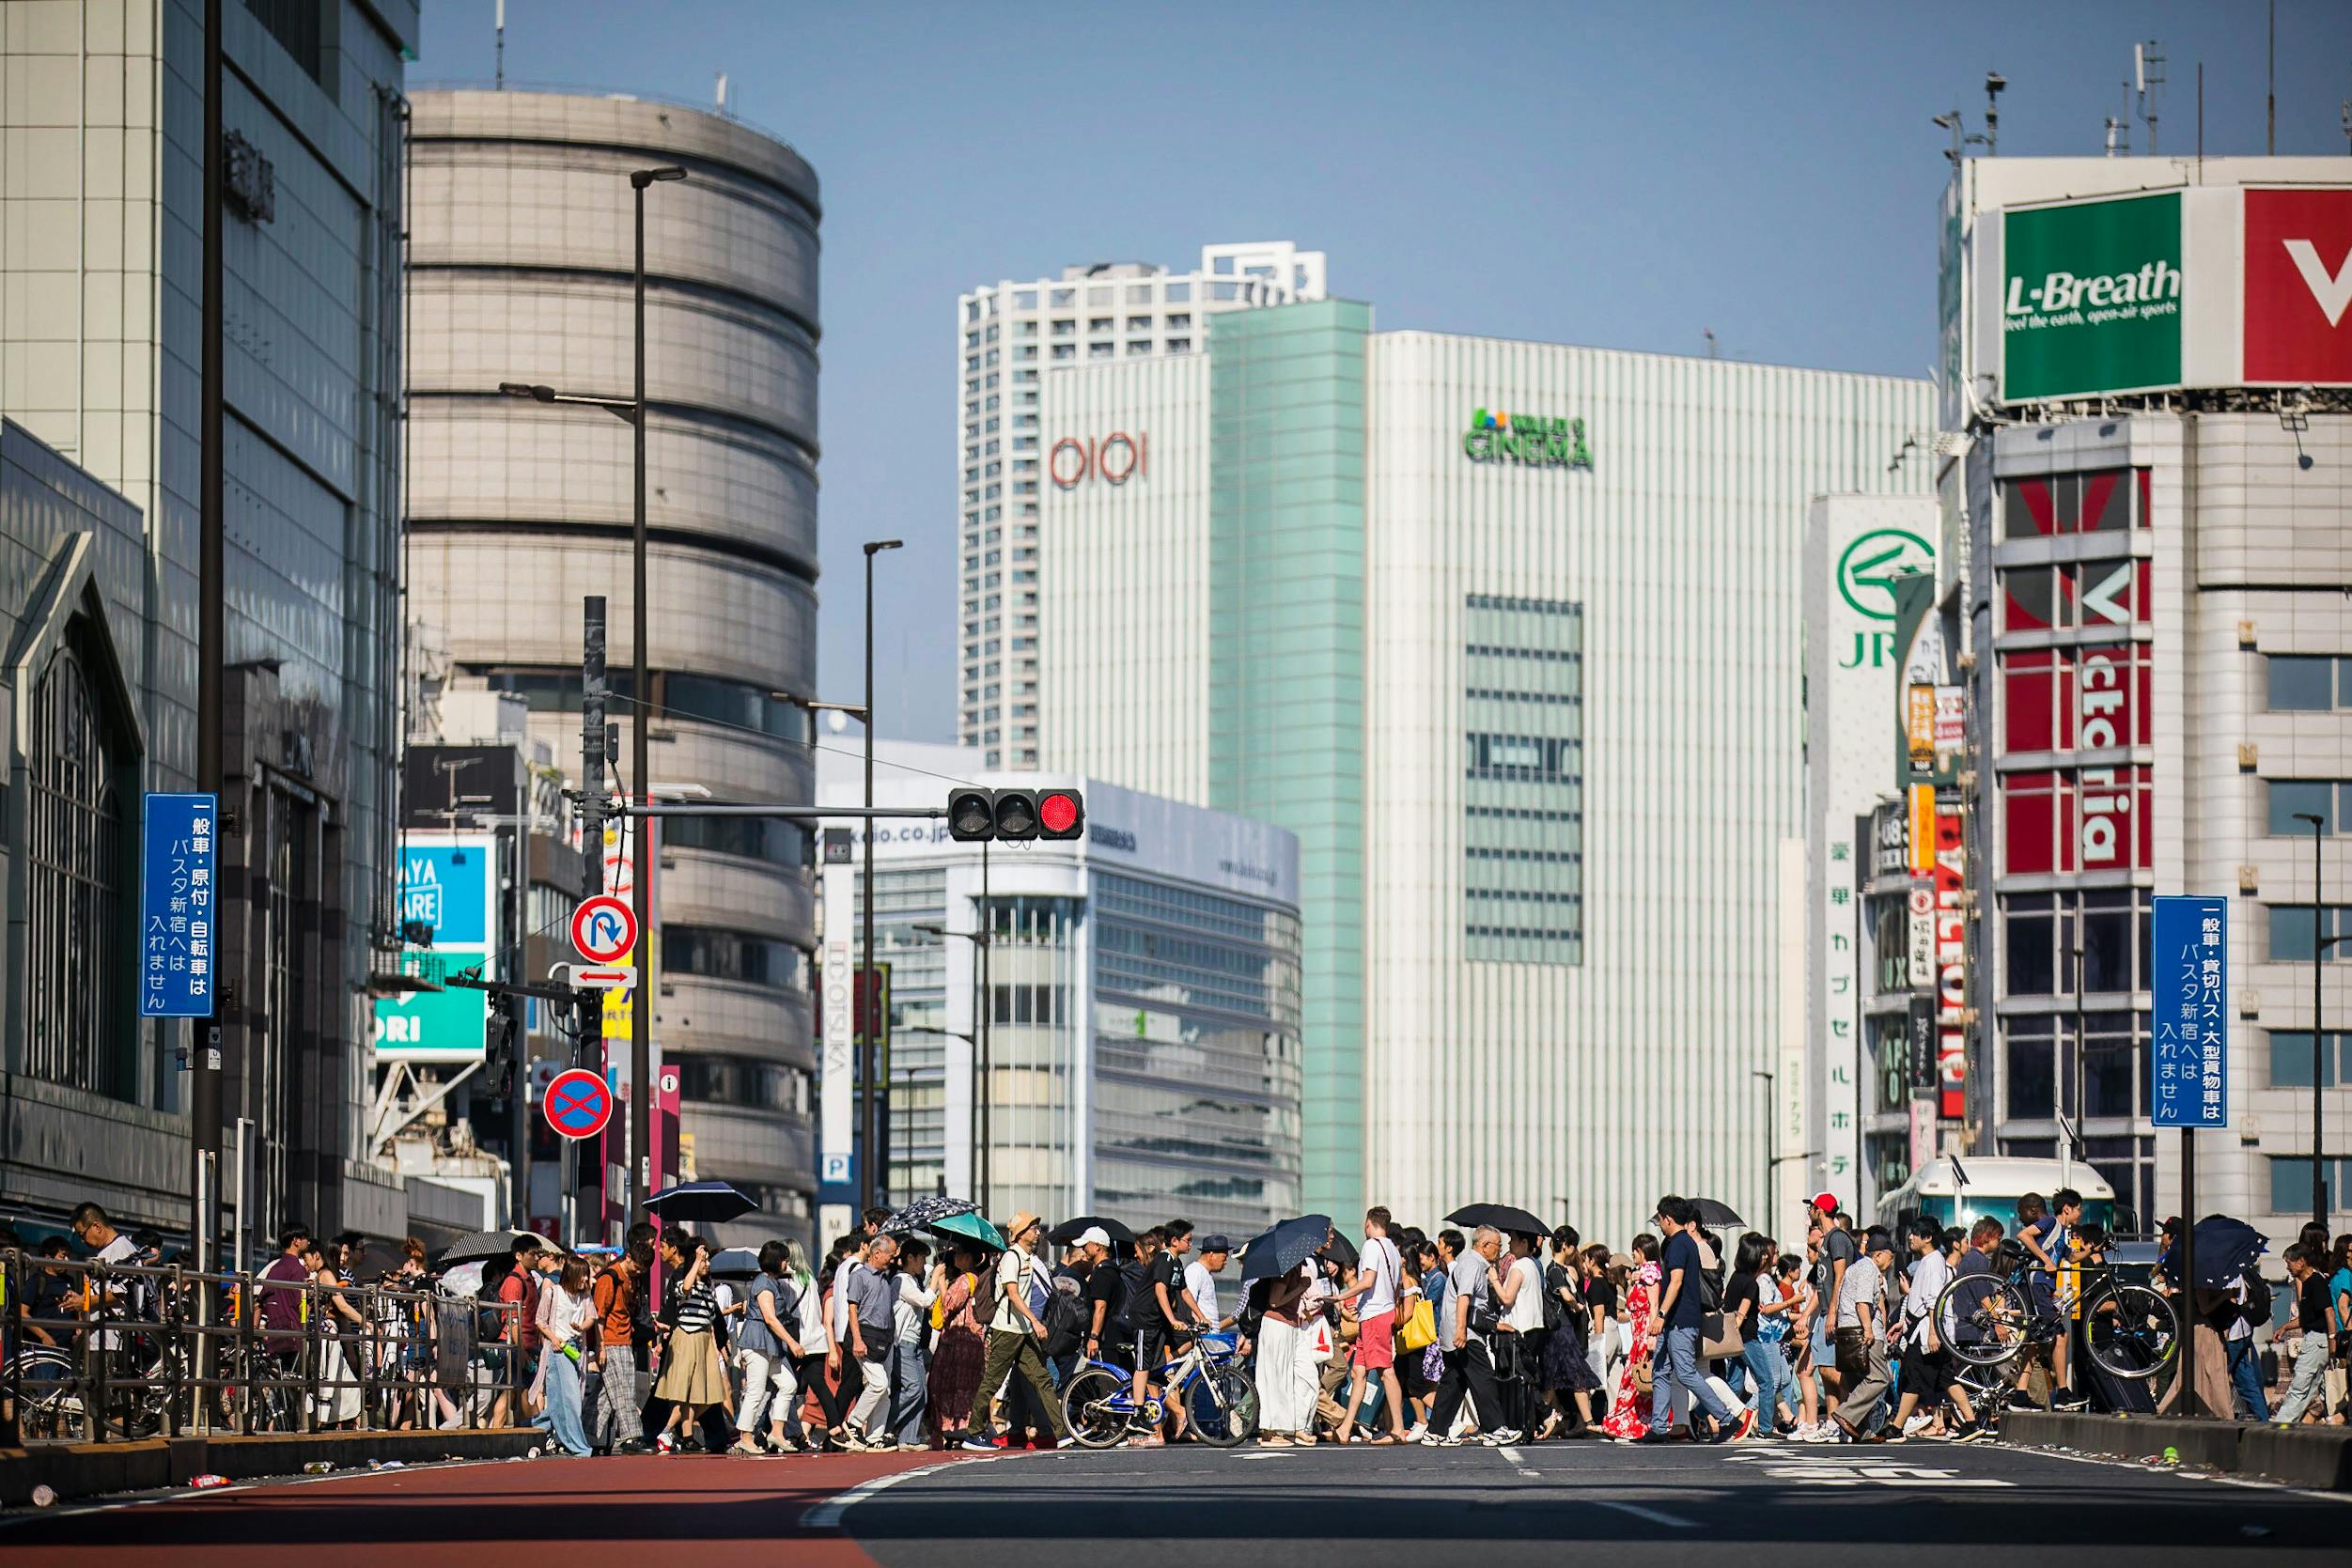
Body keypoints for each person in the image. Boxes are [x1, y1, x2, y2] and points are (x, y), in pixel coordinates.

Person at [959, 1214, 1071, 1450]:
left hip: (1023, 1330)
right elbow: (1013, 1294)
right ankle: (974, 1433)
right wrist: (1035, 1321)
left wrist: (1031, 1323)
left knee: (1042, 1378)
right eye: (1033, 1229)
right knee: (992, 1381)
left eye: (1037, 1228)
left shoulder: (1027, 1257)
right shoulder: (1011, 1258)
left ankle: (1060, 1432)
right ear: (1020, 1234)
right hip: (1007, 1330)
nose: (1037, 1232)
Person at [1645, 1197, 1751, 1444]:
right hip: (1675, 1320)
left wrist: (1660, 1314)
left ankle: (1727, 1418)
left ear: (1668, 1219)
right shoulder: (1685, 1243)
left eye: (1660, 1219)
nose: (1660, 1224)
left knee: (1686, 1373)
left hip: (1680, 1320)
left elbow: (1677, 1280)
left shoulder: (1678, 1245)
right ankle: (1659, 1427)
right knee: (1660, 1371)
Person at [1890, 1216, 1980, 1442]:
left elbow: (1933, 1301)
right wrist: (1904, 1321)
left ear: (1927, 1238)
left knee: (1913, 1378)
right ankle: (1971, 1422)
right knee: (1946, 1379)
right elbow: (1923, 1300)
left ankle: (1896, 1428)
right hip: (1926, 1329)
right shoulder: (1930, 1261)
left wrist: (1932, 1333)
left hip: (1927, 1334)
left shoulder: (1932, 1262)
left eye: (1915, 1233)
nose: (1910, 1237)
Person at [1425, 1225, 1514, 1446]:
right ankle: (1495, 1428)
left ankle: (1435, 1431)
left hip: (1451, 1332)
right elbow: (1464, 1297)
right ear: (1484, 1246)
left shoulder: (1472, 1263)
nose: (1500, 1250)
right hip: (1466, 1333)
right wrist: (1461, 1331)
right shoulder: (1473, 1264)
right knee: (1484, 1378)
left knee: (1453, 1383)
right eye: (1497, 1245)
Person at [1333, 1208, 1409, 1446]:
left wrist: (1340, 1298)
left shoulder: (1371, 1246)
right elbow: (1396, 1287)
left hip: (1375, 1316)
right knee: (1359, 1373)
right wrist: (1363, 1305)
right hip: (1377, 1313)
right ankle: (1345, 1428)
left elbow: (1368, 1281)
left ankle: (1397, 1429)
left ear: (1368, 1223)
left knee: (1386, 1371)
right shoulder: (1393, 1251)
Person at [651, 1232, 727, 1453]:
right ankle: (673, 1432)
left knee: (707, 1394)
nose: (707, 1264)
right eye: (704, 1261)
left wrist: (721, 1344)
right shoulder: (685, 1283)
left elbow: (714, 1317)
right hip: (686, 1338)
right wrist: (696, 1260)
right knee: (684, 1393)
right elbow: (684, 1289)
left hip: (703, 1340)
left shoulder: (707, 1289)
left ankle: (680, 1434)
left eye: (707, 1260)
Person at [1130, 1219, 1200, 1446]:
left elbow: (1184, 1291)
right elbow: (1160, 1289)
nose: (1190, 1244)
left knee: (1157, 1366)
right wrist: (1172, 1320)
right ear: (1174, 1241)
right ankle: (1138, 1413)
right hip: (1145, 1319)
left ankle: (1170, 1413)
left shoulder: (1176, 1263)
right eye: (1188, 1240)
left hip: (1158, 1322)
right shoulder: (1163, 1259)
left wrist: (1200, 1315)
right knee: (1143, 1365)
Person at [1830, 1228, 1896, 1442]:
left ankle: (1864, 1431)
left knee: (1859, 1381)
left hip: (1846, 1331)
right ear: (1878, 1254)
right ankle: (1846, 1413)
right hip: (1864, 1332)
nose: (1891, 1261)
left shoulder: (1854, 1268)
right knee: (1879, 1378)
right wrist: (1868, 1329)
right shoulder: (1869, 1269)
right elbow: (1863, 1302)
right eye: (1890, 1256)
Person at [586, 1240, 652, 1453]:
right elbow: (599, 1316)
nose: (639, 1271)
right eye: (637, 1267)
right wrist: (601, 1346)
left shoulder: (629, 1279)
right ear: (629, 1258)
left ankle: (587, 1432)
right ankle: (631, 1436)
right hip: (612, 1340)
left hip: (623, 1338)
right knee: (624, 1390)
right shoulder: (609, 1278)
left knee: (607, 1393)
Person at [1537, 1227, 1602, 1438]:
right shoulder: (1556, 1270)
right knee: (1575, 1376)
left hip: (1561, 1331)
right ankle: (1587, 1421)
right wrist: (1578, 1307)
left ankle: (1556, 1419)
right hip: (1561, 1332)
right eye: (1573, 1246)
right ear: (1566, 1246)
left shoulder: (1561, 1269)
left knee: (1552, 1379)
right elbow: (1566, 1296)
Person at [1254, 1247, 1320, 1446]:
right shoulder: (1286, 1268)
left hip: (1292, 1326)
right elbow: (1274, 1302)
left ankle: (1296, 1426)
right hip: (1277, 1325)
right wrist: (1301, 1288)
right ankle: (1271, 1430)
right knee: (1276, 1379)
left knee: (1306, 1376)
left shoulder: (1298, 1267)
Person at [2274, 1244, 2344, 1426]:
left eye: (2289, 1262)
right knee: (2310, 1388)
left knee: (2298, 1386)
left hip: (2318, 1341)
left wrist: (2332, 1339)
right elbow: (2306, 1318)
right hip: (2315, 1340)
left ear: (2301, 1262)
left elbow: (2329, 1312)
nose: (2287, 1267)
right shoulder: (2307, 1284)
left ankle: (2280, 1425)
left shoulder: (2316, 1282)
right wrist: (2285, 1327)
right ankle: (2287, 1424)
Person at [534, 1254, 595, 1457]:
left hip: (575, 1349)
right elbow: (540, 1321)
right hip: (558, 1350)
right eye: (583, 1276)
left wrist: (581, 1327)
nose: (586, 1280)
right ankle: (579, 1446)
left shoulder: (584, 1297)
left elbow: (591, 1318)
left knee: (560, 1400)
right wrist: (554, 1339)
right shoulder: (553, 1293)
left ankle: (535, 1429)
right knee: (570, 1398)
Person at [1599, 1235, 1659, 1440]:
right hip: (1638, 1334)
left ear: (1643, 1251)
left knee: (1634, 1380)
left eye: (1635, 1250)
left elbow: (1654, 1305)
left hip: (1644, 1334)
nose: (1633, 1254)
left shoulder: (1650, 1273)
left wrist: (1652, 1335)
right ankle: (1631, 1423)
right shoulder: (1642, 1273)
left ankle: (1624, 1423)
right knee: (1636, 1382)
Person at [844, 1234, 901, 1448]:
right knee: (879, 1384)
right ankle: (854, 1423)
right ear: (877, 1253)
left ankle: (874, 1437)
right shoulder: (860, 1276)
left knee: (884, 1392)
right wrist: (857, 1340)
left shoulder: (884, 1277)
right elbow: (852, 1309)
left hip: (885, 1338)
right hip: (866, 1337)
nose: (893, 1259)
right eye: (891, 1254)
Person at [929, 1244, 989, 1447]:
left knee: (946, 1384)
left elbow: (949, 1305)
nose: (955, 1256)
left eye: (960, 1253)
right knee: (966, 1385)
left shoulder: (965, 1279)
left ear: (969, 1258)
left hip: (958, 1341)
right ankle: (962, 1427)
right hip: (972, 1340)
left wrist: (939, 1281)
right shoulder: (977, 1278)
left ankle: (953, 1428)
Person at [304, 1237, 365, 1430]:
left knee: (345, 1384)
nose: (305, 1263)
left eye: (307, 1259)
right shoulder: (327, 1275)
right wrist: (367, 1323)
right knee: (330, 1379)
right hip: (327, 1334)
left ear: (317, 1256)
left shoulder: (323, 1275)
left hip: (323, 1332)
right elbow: (343, 1306)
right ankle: (319, 1421)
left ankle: (352, 1424)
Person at [890, 1238, 937, 1448]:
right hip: (903, 1343)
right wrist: (935, 1279)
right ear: (910, 1258)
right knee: (914, 1388)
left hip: (913, 1342)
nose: (923, 1264)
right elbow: (926, 1301)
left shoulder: (912, 1280)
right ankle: (883, 1424)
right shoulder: (901, 1280)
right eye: (921, 1259)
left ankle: (908, 1438)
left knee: (921, 1393)